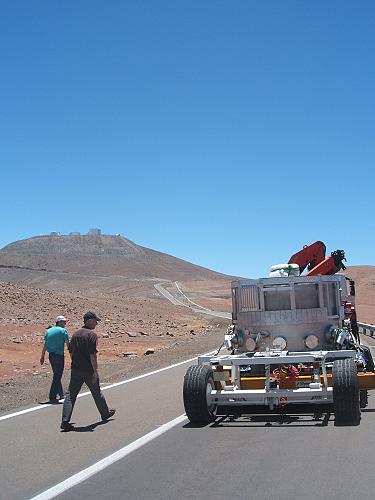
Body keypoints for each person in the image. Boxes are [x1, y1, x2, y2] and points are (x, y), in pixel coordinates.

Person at [61, 311, 116, 431]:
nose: (96, 323)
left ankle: (65, 420)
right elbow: (92, 355)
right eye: (95, 321)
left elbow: (70, 351)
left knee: (71, 395)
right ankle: (105, 414)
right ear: (89, 320)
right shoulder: (91, 335)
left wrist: (75, 362)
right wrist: (95, 371)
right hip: (88, 370)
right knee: (96, 392)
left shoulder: (76, 334)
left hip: (76, 369)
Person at [40, 315, 69, 403]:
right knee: (57, 376)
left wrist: (42, 356)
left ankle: (61, 394)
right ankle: (52, 396)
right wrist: (73, 355)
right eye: (63, 322)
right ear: (59, 322)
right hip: (59, 355)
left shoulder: (48, 331)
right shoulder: (63, 331)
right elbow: (68, 344)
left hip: (51, 356)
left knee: (57, 374)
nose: (65, 323)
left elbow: (45, 345)